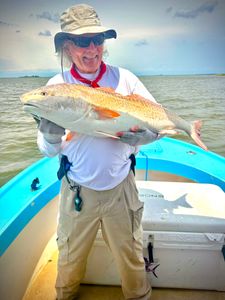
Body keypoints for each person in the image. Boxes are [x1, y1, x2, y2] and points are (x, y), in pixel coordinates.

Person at [37, 4, 160, 300]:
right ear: (67, 47)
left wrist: (147, 135)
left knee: (131, 258)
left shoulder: (125, 79)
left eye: (98, 39)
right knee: (69, 259)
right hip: (77, 190)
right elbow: (47, 150)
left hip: (121, 188)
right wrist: (50, 132)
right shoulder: (56, 86)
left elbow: (155, 122)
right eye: (81, 41)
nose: (91, 48)